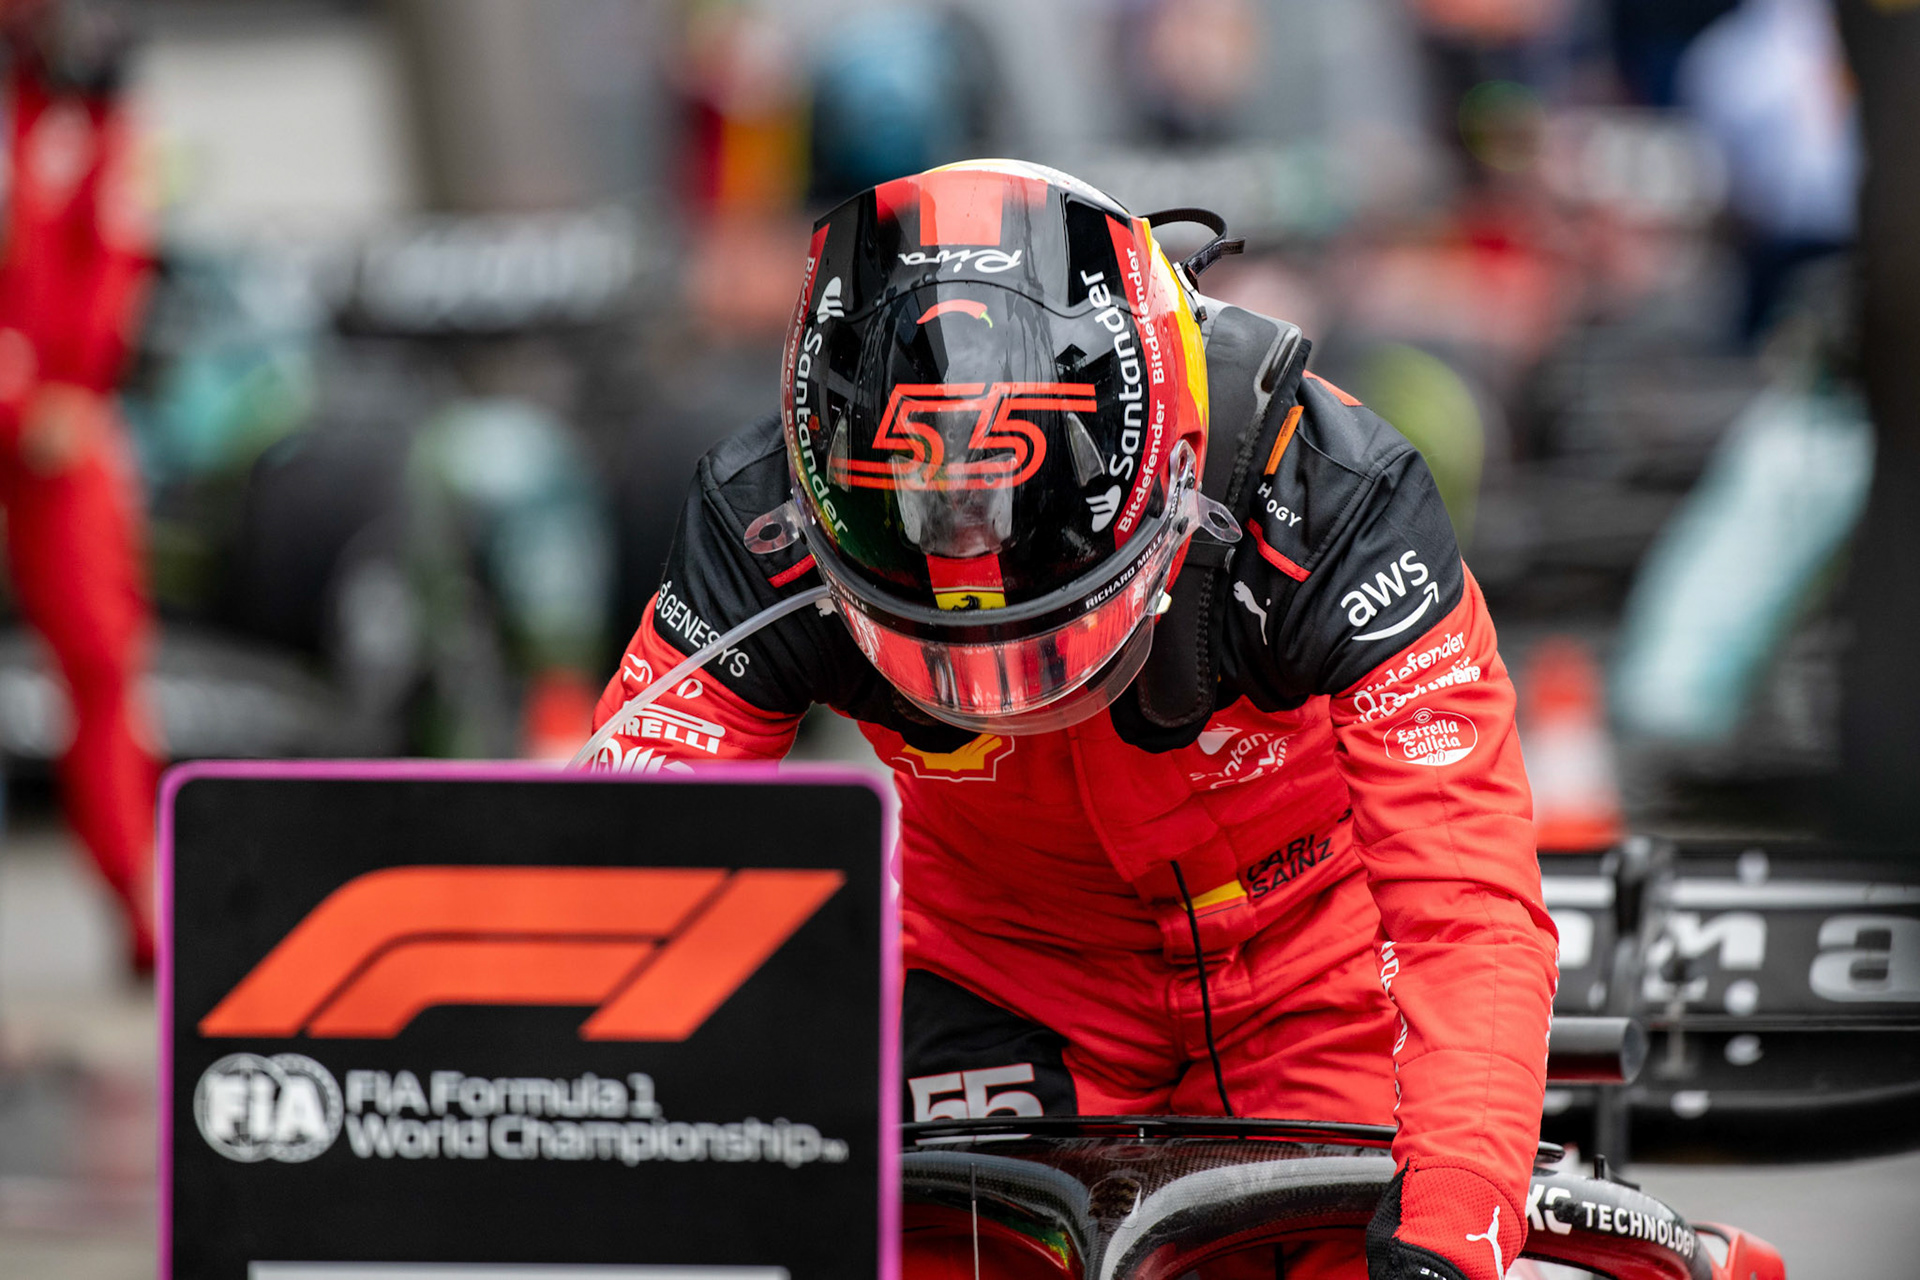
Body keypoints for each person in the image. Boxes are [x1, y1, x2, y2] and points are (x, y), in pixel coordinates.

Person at [589, 161, 1557, 1280]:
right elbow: (623, 876)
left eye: (1054, 633)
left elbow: (1466, 909)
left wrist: (1457, 1218)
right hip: (1007, 976)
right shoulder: (761, 532)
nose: (1015, 693)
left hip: (1319, 983)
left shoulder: (1337, 502)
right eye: (944, 649)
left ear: (1177, 477)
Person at [0, 1, 157, 972]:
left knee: (105, 660)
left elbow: (110, 255)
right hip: (34, 405)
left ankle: (142, 900)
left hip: (57, 426)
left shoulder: (77, 108)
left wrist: (69, 389)